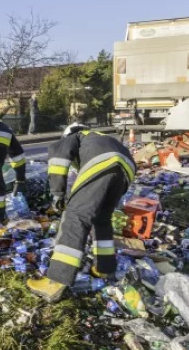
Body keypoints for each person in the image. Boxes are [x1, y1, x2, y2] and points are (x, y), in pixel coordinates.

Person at [27, 124, 136, 302]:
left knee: (75, 216)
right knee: (101, 219)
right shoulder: (100, 138)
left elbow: (58, 156)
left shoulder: (76, 137)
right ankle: (104, 268)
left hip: (102, 162)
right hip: (127, 168)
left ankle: (56, 280)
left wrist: (57, 194)